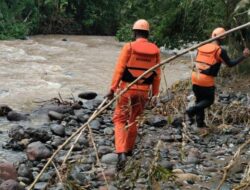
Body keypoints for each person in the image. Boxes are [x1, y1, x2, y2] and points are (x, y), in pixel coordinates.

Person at [105, 19, 161, 170]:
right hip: (144, 91)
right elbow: (157, 75)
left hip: (126, 89)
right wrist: (154, 94)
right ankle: (129, 150)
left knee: (119, 119)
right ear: (147, 33)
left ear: (135, 32)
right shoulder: (155, 50)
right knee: (134, 119)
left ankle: (121, 152)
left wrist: (112, 89)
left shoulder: (128, 47)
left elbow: (119, 70)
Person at [186, 27, 250, 129]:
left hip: (194, 76)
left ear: (212, 35)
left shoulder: (201, 46)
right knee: (209, 100)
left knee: (200, 100)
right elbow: (230, 64)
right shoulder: (220, 51)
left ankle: (200, 124)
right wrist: (243, 56)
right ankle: (191, 110)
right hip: (206, 80)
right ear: (222, 38)